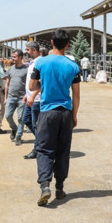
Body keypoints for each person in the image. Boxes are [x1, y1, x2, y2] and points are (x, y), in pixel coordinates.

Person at [29, 29, 80, 206]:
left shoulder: (41, 62)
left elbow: (32, 84)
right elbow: (76, 95)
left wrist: (46, 82)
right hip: (65, 112)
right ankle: (59, 187)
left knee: (44, 149)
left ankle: (45, 185)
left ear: (51, 43)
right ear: (67, 44)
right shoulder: (73, 66)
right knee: (63, 150)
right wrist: (74, 115)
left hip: (47, 112)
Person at [3, 49, 28, 145]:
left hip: (22, 98)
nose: (12, 58)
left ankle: (19, 136)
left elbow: (29, 84)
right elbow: (7, 84)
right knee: (8, 116)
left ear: (20, 57)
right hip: (11, 97)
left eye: (14, 57)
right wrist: (5, 97)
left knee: (20, 118)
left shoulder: (26, 70)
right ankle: (14, 128)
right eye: (12, 56)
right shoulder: (10, 69)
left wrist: (27, 95)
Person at [22, 41, 42, 159]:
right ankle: (42, 141)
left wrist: (33, 96)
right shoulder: (33, 62)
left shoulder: (39, 63)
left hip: (36, 100)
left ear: (34, 50)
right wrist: (27, 94)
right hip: (30, 99)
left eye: (28, 50)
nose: (26, 52)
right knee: (26, 120)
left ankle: (37, 149)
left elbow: (40, 82)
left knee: (36, 125)